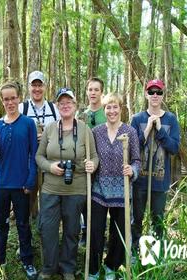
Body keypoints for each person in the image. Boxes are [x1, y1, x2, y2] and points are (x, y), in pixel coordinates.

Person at [35, 88, 99, 280]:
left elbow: (94, 157)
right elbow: (39, 156)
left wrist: (92, 165)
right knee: (48, 230)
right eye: (61, 103)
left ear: (75, 105)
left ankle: (68, 268)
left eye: (68, 102)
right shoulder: (50, 129)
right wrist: (50, 166)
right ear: (57, 106)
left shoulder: (85, 130)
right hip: (50, 189)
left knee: (72, 230)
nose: (65, 105)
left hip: (76, 188)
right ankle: (48, 267)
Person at [0, 81, 38, 280]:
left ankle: (27, 260)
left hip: (21, 184)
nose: (10, 102)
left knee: (23, 224)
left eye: (13, 98)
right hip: (2, 184)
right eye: (6, 99)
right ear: (2, 101)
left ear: (19, 98)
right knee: (1, 225)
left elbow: (34, 154)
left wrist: (31, 180)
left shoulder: (27, 123)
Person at [89, 94, 141, 280]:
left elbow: (137, 160)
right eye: (108, 108)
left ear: (121, 109)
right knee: (95, 231)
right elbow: (92, 157)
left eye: (115, 107)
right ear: (104, 110)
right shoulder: (96, 132)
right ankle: (93, 269)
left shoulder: (130, 132)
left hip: (122, 189)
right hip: (99, 189)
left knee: (118, 233)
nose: (112, 111)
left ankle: (111, 266)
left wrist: (132, 170)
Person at [131, 79, 180, 252]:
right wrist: (145, 131)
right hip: (139, 182)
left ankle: (153, 255)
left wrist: (159, 130)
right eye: (151, 92)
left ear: (162, 95)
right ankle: (134, 253)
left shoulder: (171, 119)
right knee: (136, 219)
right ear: (146, 94)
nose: (154, 95)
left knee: (157, 221)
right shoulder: (137, 119)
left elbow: (174, 148)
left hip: (160, 182)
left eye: (158, 92)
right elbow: (132, 149)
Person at [19, 70, 60, 217]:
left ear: (45, 87)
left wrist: (48, 138)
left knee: (48, 198)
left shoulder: (54, 109)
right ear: (28, 87)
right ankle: (29, 224)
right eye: (33, 85)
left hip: (49, 162)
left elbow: (63, 132)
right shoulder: (21, 109)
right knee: (28, 196)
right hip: (27, 161)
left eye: (40, 85)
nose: (37, 89)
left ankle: (45, 225)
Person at [79, 77, 107, 246]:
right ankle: (85, 231)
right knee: (85, 198)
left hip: (103, 164)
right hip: (85, 163)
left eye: (96, 89)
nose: (93, 93)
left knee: (100, 201)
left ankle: (99, 235)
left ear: (101, 92)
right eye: (90, 89)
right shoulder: (81, 115)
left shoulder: (107, 112)